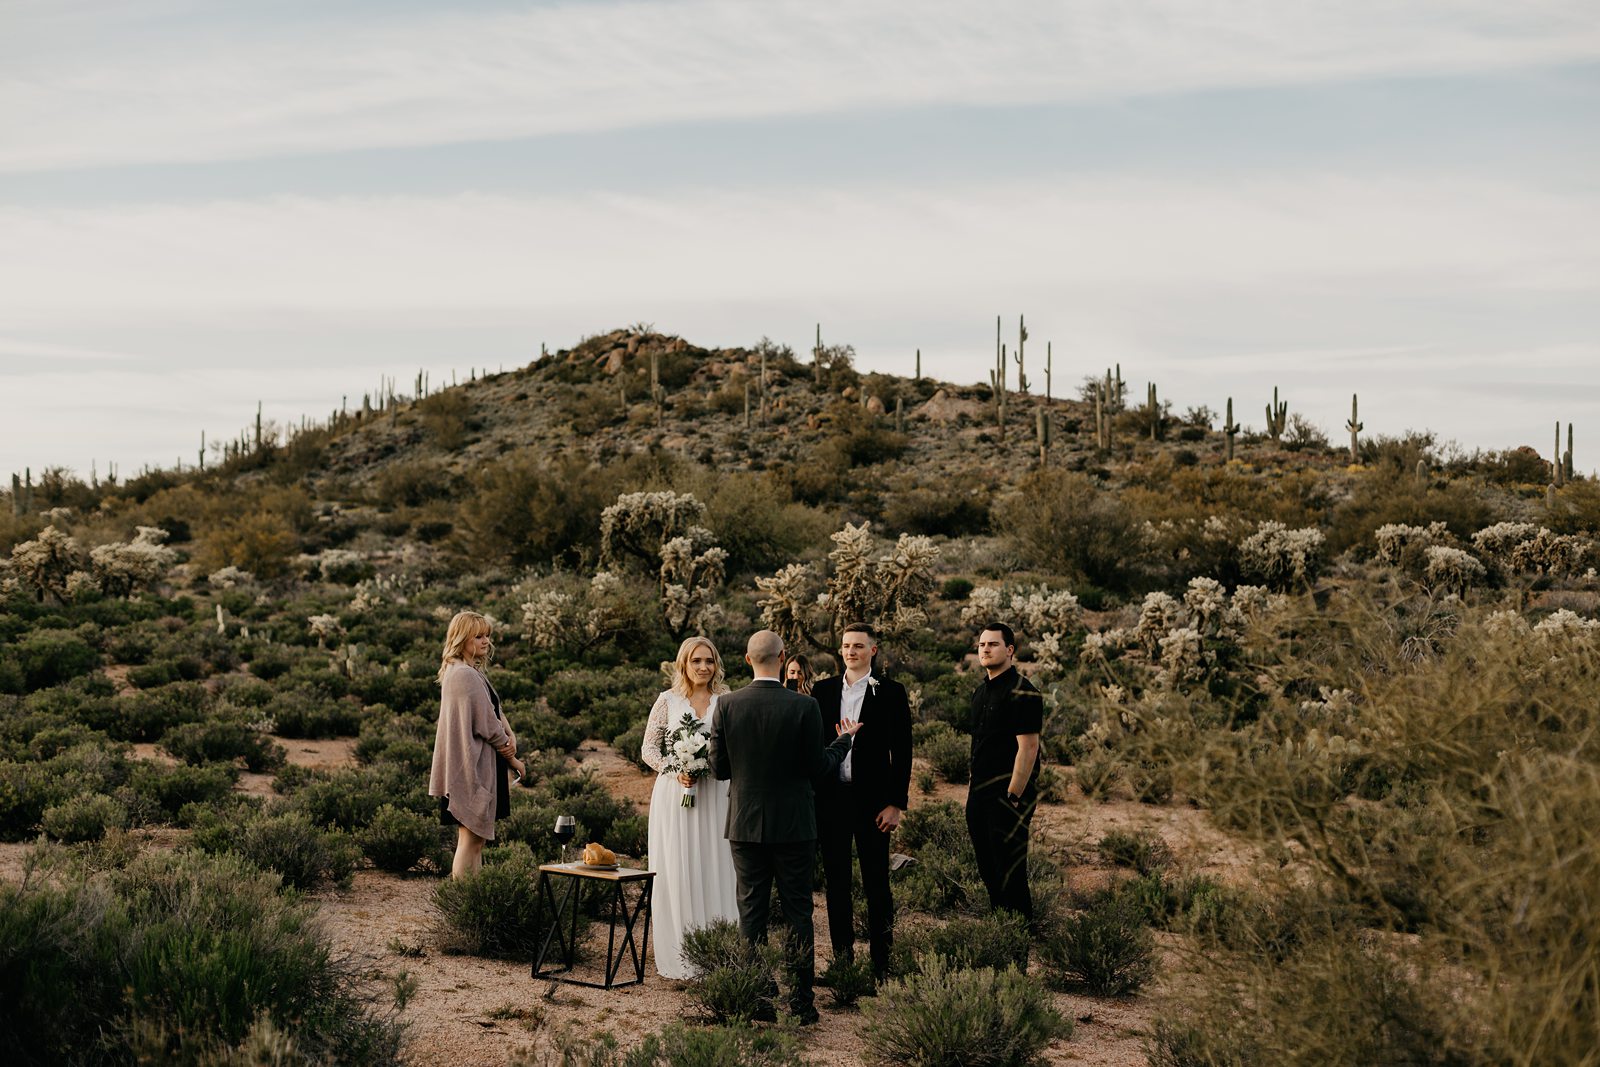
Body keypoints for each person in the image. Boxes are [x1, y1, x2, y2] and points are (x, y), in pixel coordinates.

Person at [709, 630, 859, 1024]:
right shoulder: (804, 707)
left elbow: (719, 768)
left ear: (746, 658)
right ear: (782, 658)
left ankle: (757, 998)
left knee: (751, 914)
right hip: (794, 826)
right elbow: (819, 769)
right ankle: (802, 1003)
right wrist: (843, 742)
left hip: (744, 824)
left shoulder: (726, 705)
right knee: (798, 913)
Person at [811, 622, 912, 980]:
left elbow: (902, 753)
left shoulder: (891, 692)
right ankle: (843, 963)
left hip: (875, 804)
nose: (851, 651)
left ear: (873, 650)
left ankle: (882, 966)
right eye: (845, 645)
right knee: (836, 884)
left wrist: (896, 803)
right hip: (832, 800)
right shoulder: (821, 691)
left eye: (858, 645)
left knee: (877, 884)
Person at [640, 636, 739, 979]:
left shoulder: (726, 700)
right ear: (684, 663)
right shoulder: (667, 701)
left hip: (716, 794)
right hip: (675, 796)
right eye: (696, 661)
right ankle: (680, 952)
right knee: (678, 867)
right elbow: (648, 748)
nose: (703, 667)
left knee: (717, 863)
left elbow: (734, 748)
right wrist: (675, 767)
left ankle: (719, 949)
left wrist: (711, 768)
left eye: (709, 661)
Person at [428, 611, 525, 879]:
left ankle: (473, 896)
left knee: (475, 840)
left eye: (487, 636)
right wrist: (513, 759)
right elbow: (486, 724)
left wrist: (510, 734)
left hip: (475, 765)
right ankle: (463, 901)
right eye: (479, 636)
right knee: (470, 840)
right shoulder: (463, 674)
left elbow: (493, 711)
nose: (485, 642)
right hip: (470, 769)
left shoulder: (467, 671)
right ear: (463, 638)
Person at [965, 622, 1043, 923]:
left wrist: (1013, 794)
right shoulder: (980, 693)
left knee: (1011, 873)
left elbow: (1029, 747)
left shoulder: (1024, 692)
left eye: (993, 644)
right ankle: (1001, 937)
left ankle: (1019, 946)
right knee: (988, 871)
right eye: (982, 644)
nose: (985, 649)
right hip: (978, 794)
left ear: (1009, 650)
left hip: (1008, 797)